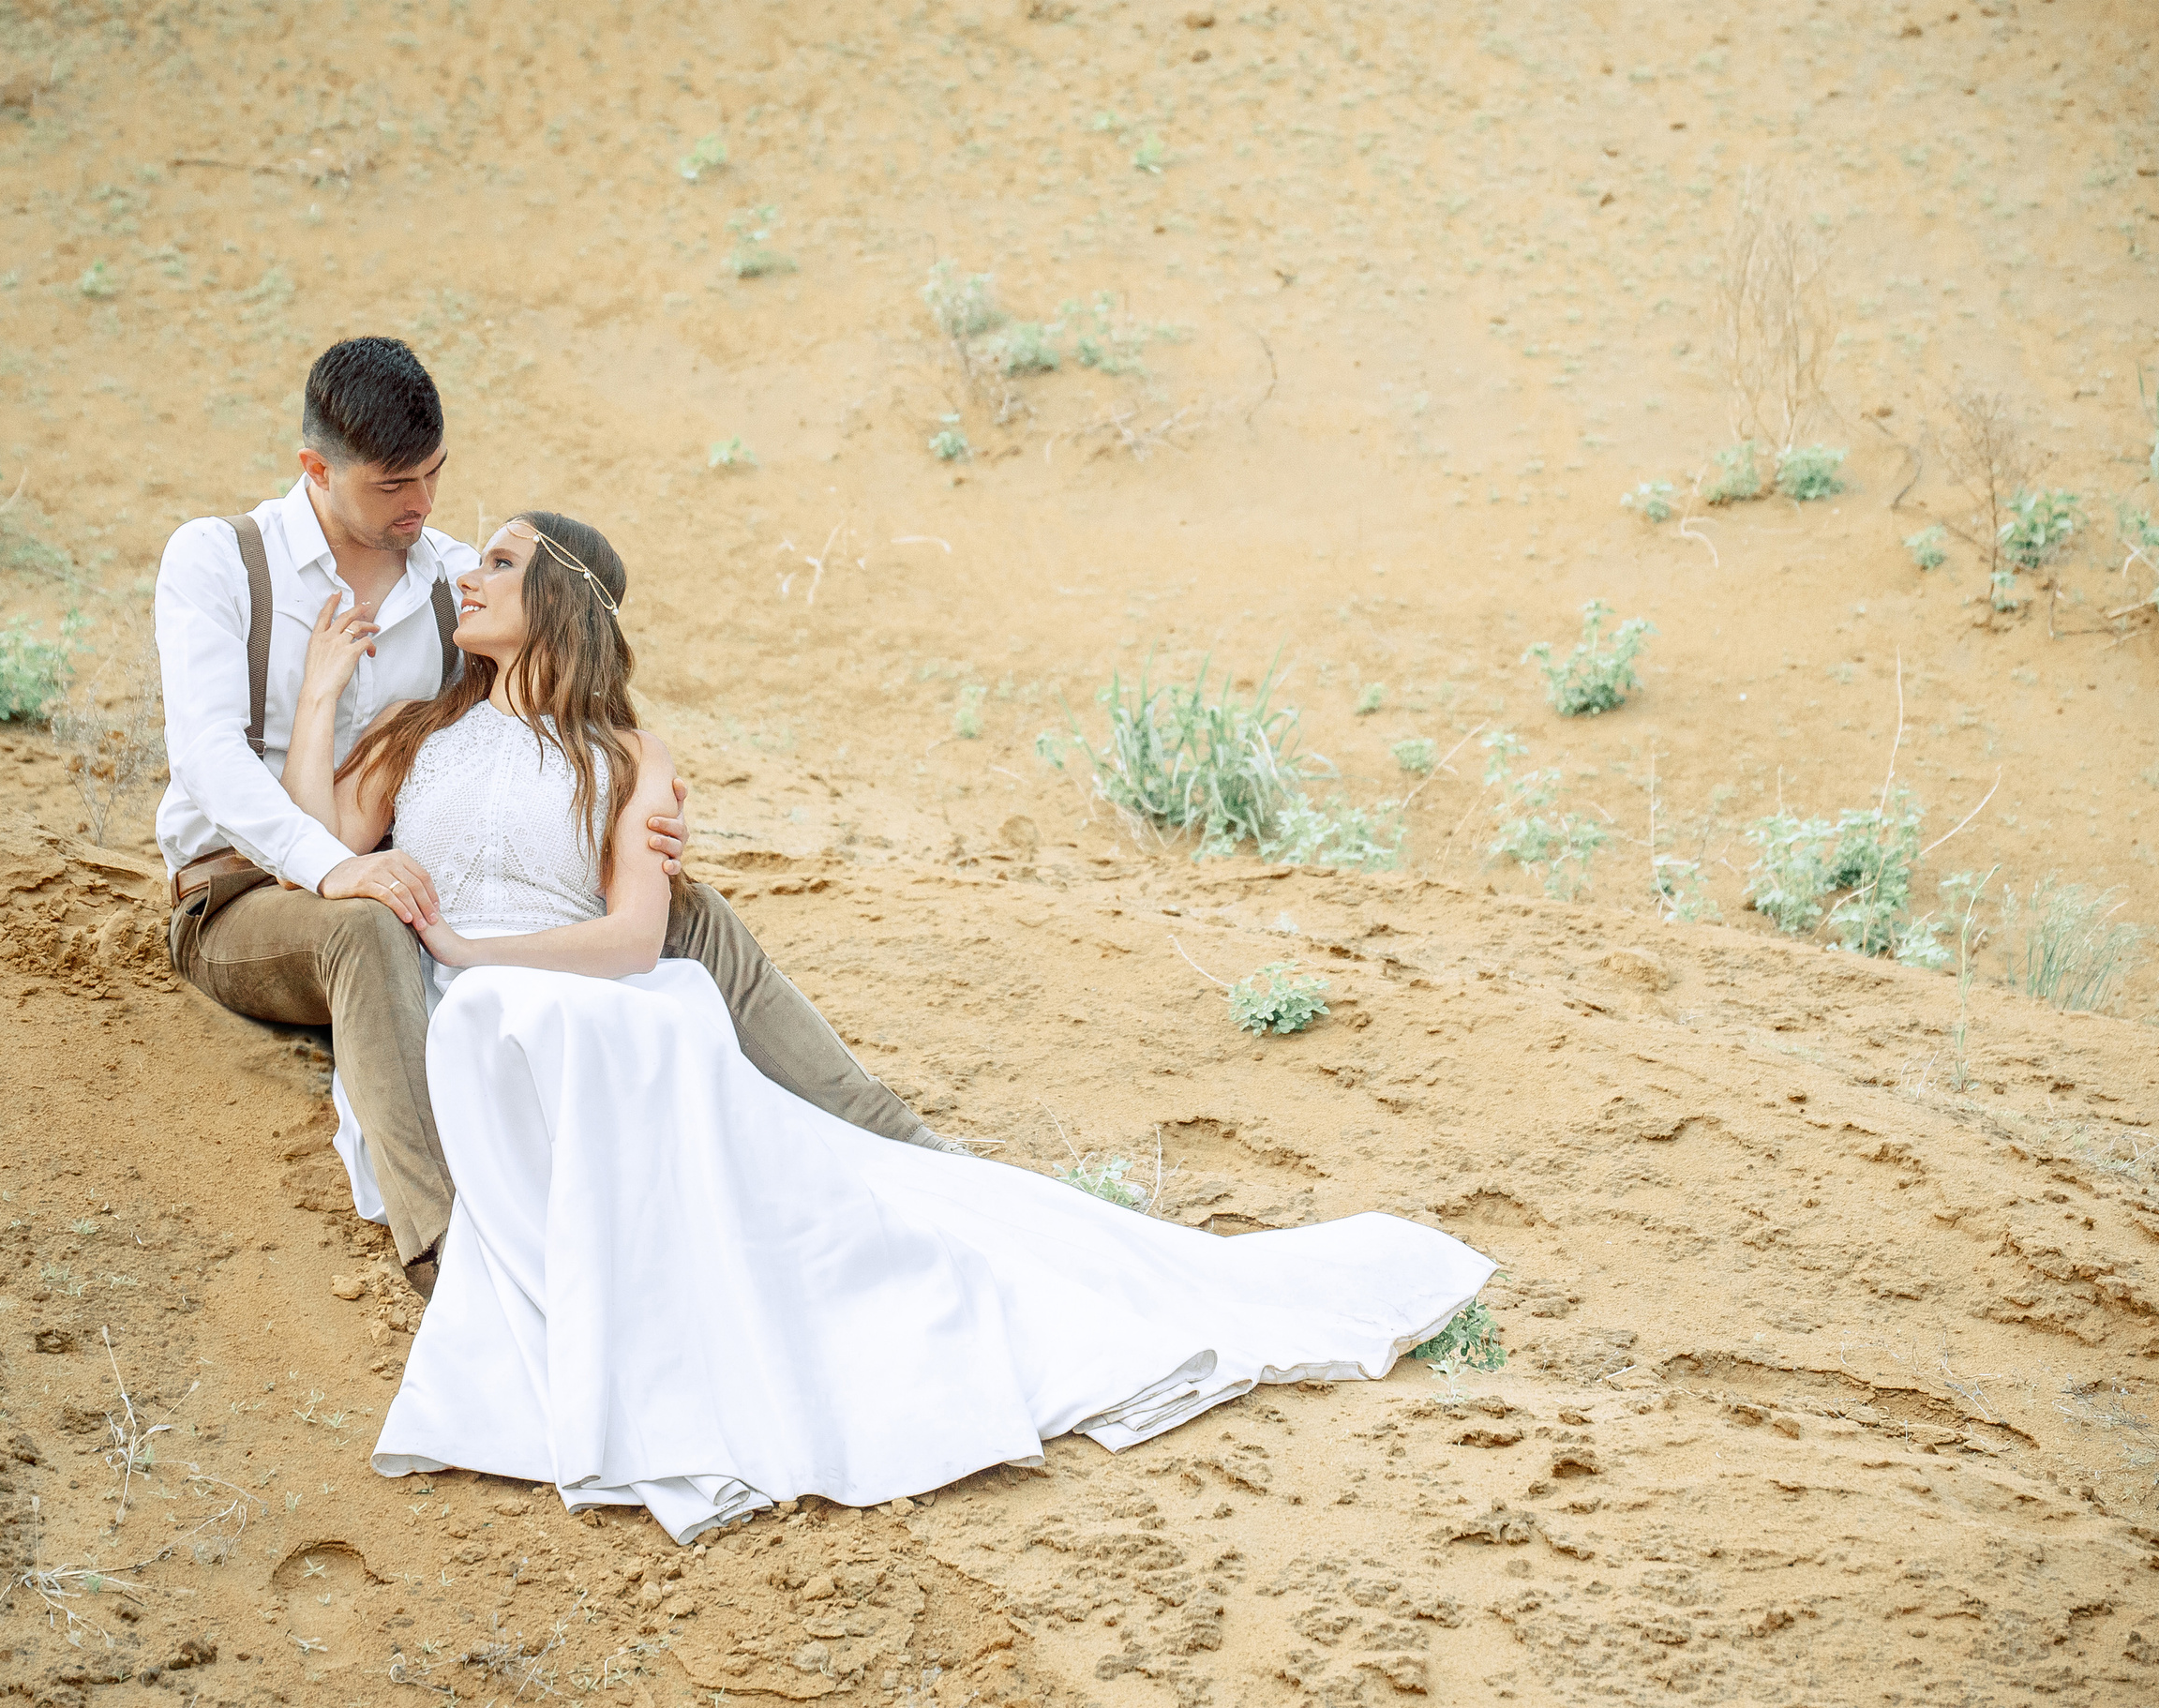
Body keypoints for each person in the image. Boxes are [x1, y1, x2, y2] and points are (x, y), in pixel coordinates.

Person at [279, 507, 1498, 1544]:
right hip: (462, 1003)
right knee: (511, 1028)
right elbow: (315, 847)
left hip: (583, 990)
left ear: (560, 601)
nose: (467, 576)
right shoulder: (420, 734)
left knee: (683, 1077)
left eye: (498, 560)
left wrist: (477, 948)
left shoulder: (626, 755)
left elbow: (633, 940)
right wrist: (326, 691)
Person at [154, 337, 951, 1303]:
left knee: (681, 909)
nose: (424, 506)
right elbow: (206, 758)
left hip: (414, 878)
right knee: (364, 928)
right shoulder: (221, 559)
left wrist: (633, 814)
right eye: (395, 483)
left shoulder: (452, 578)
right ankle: (445, 1251)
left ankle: (891, 1137)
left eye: (436, 476)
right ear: (316, 470)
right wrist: (332, 865)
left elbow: (549, 649)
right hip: (250, 891)